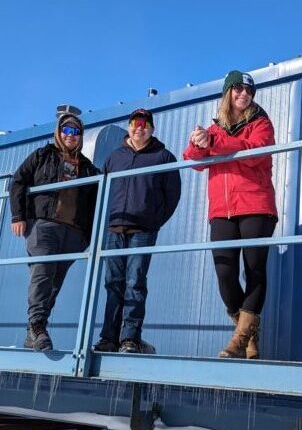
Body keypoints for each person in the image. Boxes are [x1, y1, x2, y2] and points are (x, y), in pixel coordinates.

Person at [183, 70, 278, 359]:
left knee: (254, 270)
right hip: (221, 211)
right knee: (225, 272)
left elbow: (256, 152)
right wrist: (198, 141)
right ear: (228, 93)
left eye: (248, 91)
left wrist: (215, 145)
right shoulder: (215, 130)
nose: (244, 94)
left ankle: (239, 342)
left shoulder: (261, 122)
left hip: (256, 206)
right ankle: (248, 330)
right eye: (237, 89)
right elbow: (194, 162)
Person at [9, 105, 99, 351]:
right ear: (59, 132)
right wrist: (18, 215)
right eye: (67, 129)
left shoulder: (87, 166)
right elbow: (18, 182)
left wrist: (88, 236)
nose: (71, 135)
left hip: (73, 233)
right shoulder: (42, 156)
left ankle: (36, 330)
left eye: (76, 131)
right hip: (45, 225)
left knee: (55, 282)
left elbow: (97, 196)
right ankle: (36, 325)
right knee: (42, 274)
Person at [94, 108, 181, 354]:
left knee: (135, 282)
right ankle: (108, 337)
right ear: (129, 126)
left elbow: (172, 195)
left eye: (144, 123)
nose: (139, 127)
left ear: (151, 129)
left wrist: (154, 220)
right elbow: (102, 189)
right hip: (114, 228)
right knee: (113, 283)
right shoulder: (115, 157)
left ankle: (129, 338)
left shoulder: (163, 157)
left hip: (143, 230)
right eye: (134, 122)